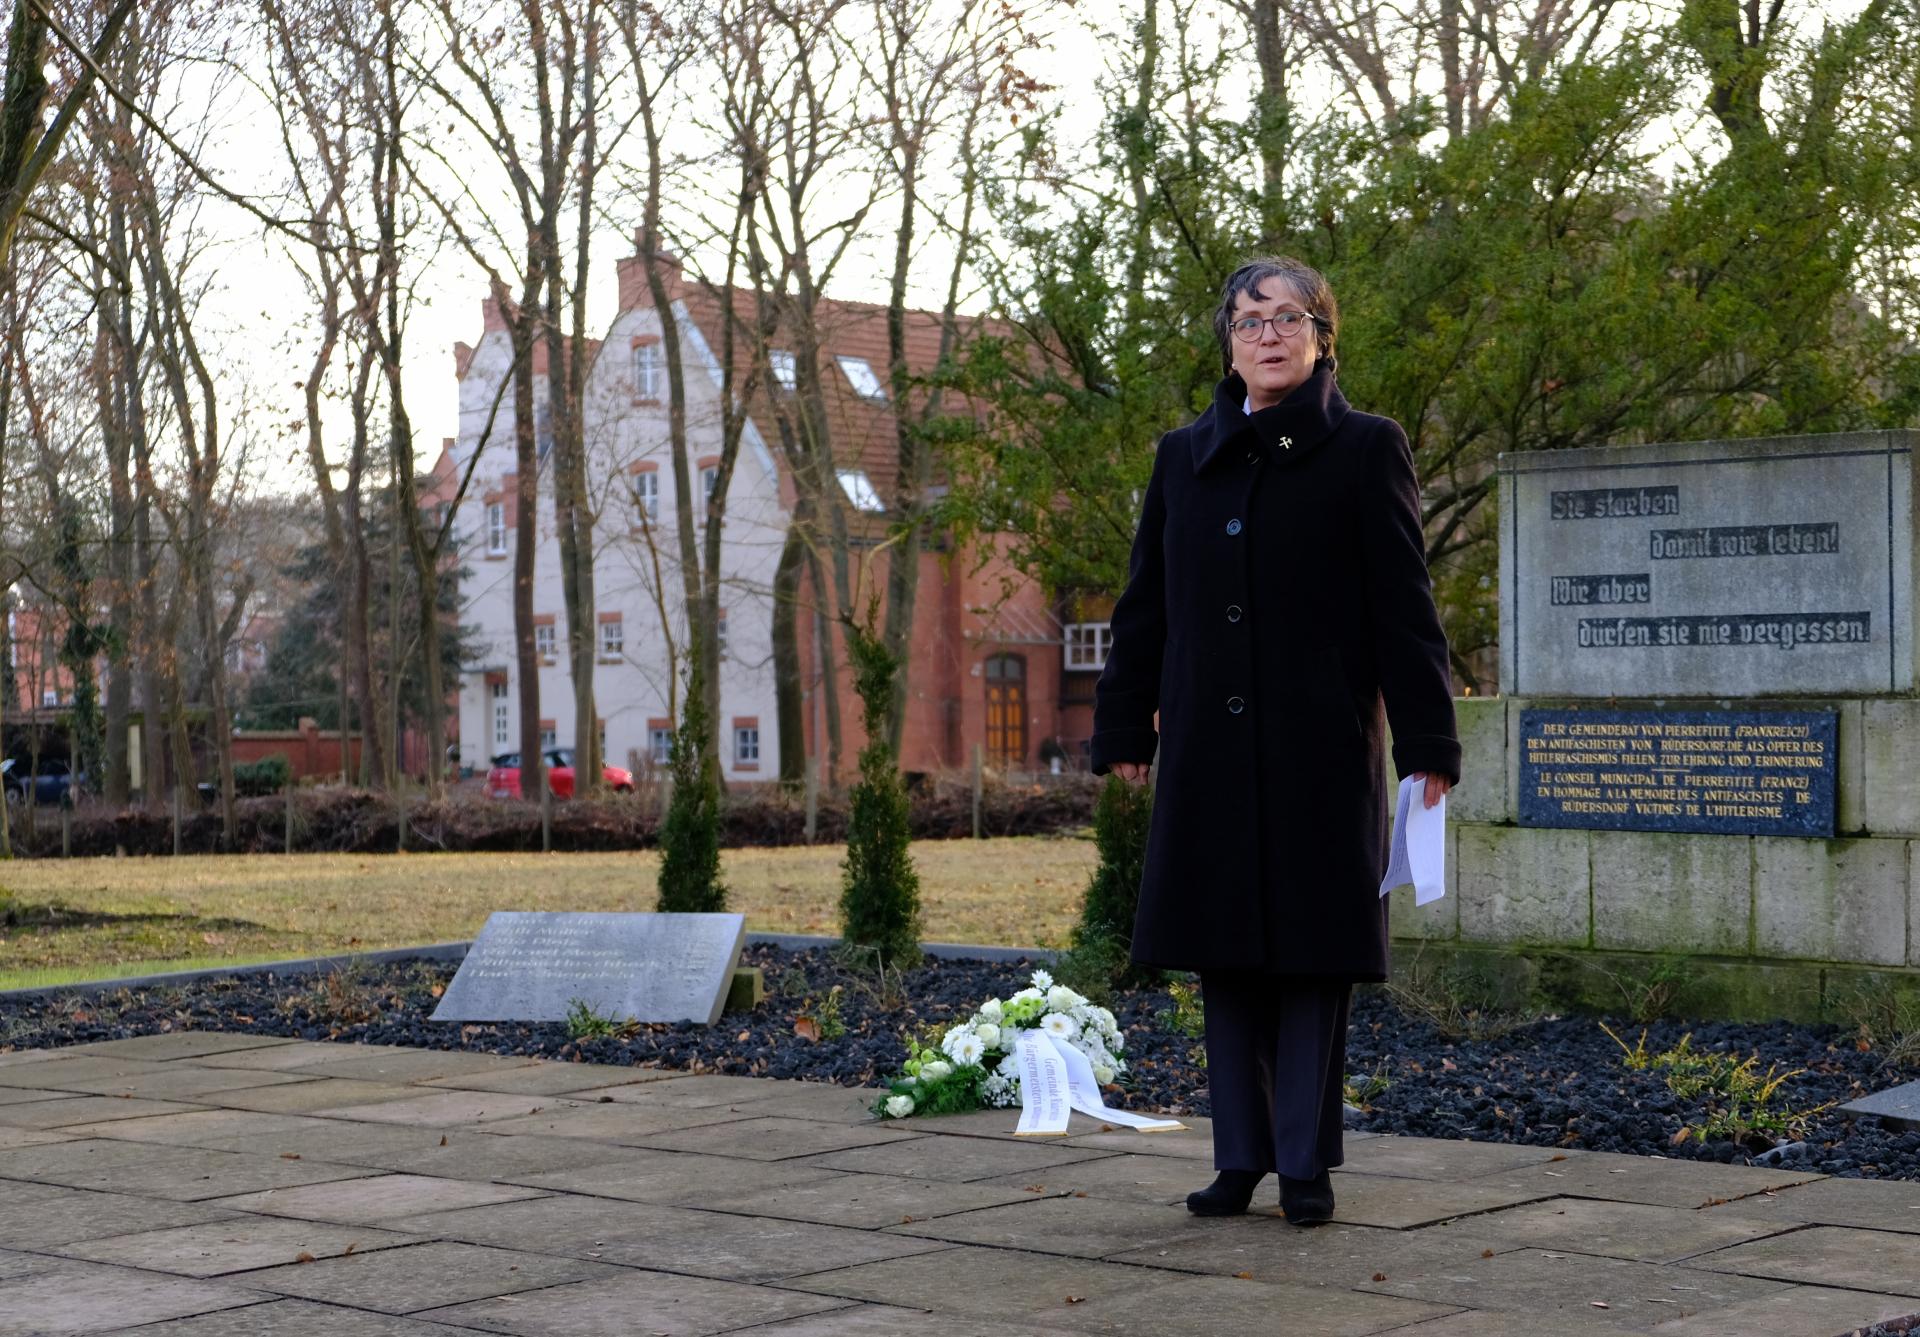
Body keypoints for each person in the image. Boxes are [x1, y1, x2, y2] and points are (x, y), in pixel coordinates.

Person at [1089, 256, 1460, 1224]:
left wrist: (1429, 742)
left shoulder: (1368, 448)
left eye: (1288, 317)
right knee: (1226, 957)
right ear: (1228, 340)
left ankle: (1303, 1162)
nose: (1267, 334)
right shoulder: (1184, 457)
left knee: (1309, 961)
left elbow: (1405, 612)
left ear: (1320, 336)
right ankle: (1239, 1155)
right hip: (1210, 755)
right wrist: (1126, 720)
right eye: (1249, 319)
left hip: (1319, 751)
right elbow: (1144, 608)